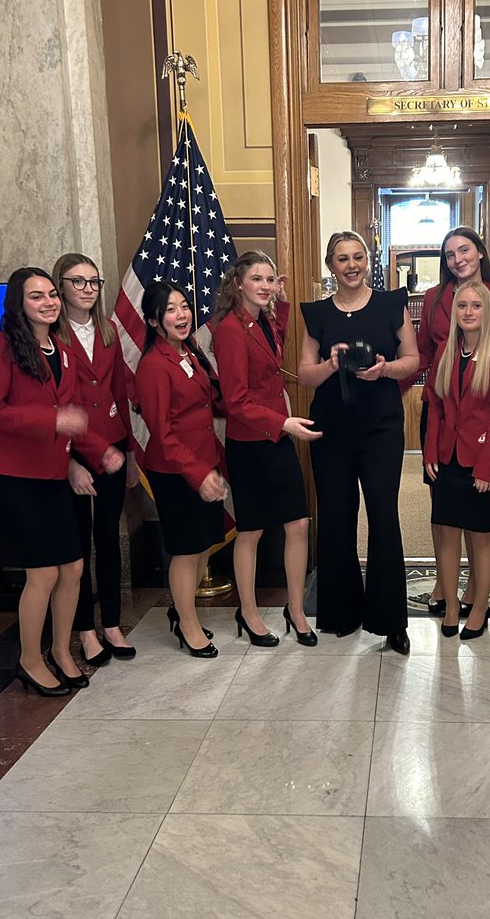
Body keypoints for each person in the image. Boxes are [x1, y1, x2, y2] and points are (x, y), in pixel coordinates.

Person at [0, 267, 124, 697]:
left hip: (54, 475)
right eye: (36, 296)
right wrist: (52, 419)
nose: (48, 302)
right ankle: (29, 659)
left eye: (50, 295)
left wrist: (100, 451)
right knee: (41, 575)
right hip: (14, 478)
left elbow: (76, 414)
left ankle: (62, 650)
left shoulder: (60, 349)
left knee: (73, 568)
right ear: (18, 304)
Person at [299, 230, 419, 654]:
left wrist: (385, 369)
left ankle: (391, 622)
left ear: (368, 261)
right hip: (330, 429)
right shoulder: (316, 314)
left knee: (384, 517)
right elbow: (304, 373)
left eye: (358, 257)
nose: (351, 265)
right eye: (342, 259)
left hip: (380, 428)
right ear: (331, 266)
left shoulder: (391, 304)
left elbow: (413, 361)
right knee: (336, 516)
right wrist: (331, 364)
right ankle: (340, 612)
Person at [212, 251, 321, 647]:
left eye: (270, 279)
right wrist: (284, 423)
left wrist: (283, 297)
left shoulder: (262, 321)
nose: (264, 285)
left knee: (298, 524)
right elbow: (235, 401)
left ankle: (295, 609)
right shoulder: (228, 330)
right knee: (252, 531)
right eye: (256, 278)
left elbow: (271, 344)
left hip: (275, 440)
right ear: (238, 282)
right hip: (251, 445)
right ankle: (249, 612)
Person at [413, 227, 490, 618]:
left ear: (480, 252)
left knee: (478, 520)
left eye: (465, 250)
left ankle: (475, 592)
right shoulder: (435, 297)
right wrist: (388, 379)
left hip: (485, 409)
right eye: (450, 254)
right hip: (443, 410)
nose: (458, 259)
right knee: (444, 511)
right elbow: (422, 353)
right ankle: (445, 587)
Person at [135, 280, 228, 658]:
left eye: (185, 306)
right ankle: (187, 624)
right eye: (171, 309)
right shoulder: (154, 366)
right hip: (177, 472)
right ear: (155, 321)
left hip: (204, 463)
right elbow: (162, 433)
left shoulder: (188, 352)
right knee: (187, 551)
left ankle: (182, 608)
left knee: (204, 543)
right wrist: (198, 474)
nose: (182, 315)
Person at [55, 253, 139, 667]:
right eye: (78, 281)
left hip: (111, 448)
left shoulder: (107, 332)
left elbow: (120, 392)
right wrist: (70, 462)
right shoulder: (51, 337)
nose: (88, 289)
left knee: (107, 537)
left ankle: (111, 623)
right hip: (72, 453)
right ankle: (84, 629)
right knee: (77, 544)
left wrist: (129, 453)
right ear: (61, 286)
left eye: (94, 282)